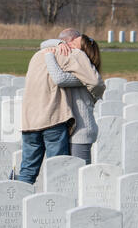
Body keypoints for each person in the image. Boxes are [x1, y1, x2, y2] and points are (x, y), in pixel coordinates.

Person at [18, 29, 105, 185]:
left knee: (27, 171)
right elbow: (95, 82)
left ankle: (17, 202)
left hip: (29, 121)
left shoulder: (38, 55)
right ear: (68, 42)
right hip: (53, 119)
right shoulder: (73, 55)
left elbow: (44, 46)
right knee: (58, 173)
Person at [41, 33, 105, 165]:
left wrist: (49, 56)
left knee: (79, 175)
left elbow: (59, 78)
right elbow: (43, 44)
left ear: (82, 53)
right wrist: (59, 43)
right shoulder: (81, 74)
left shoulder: (83, 78)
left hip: (81, 132)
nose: (68, 43)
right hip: (70, 129)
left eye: (74, 44)